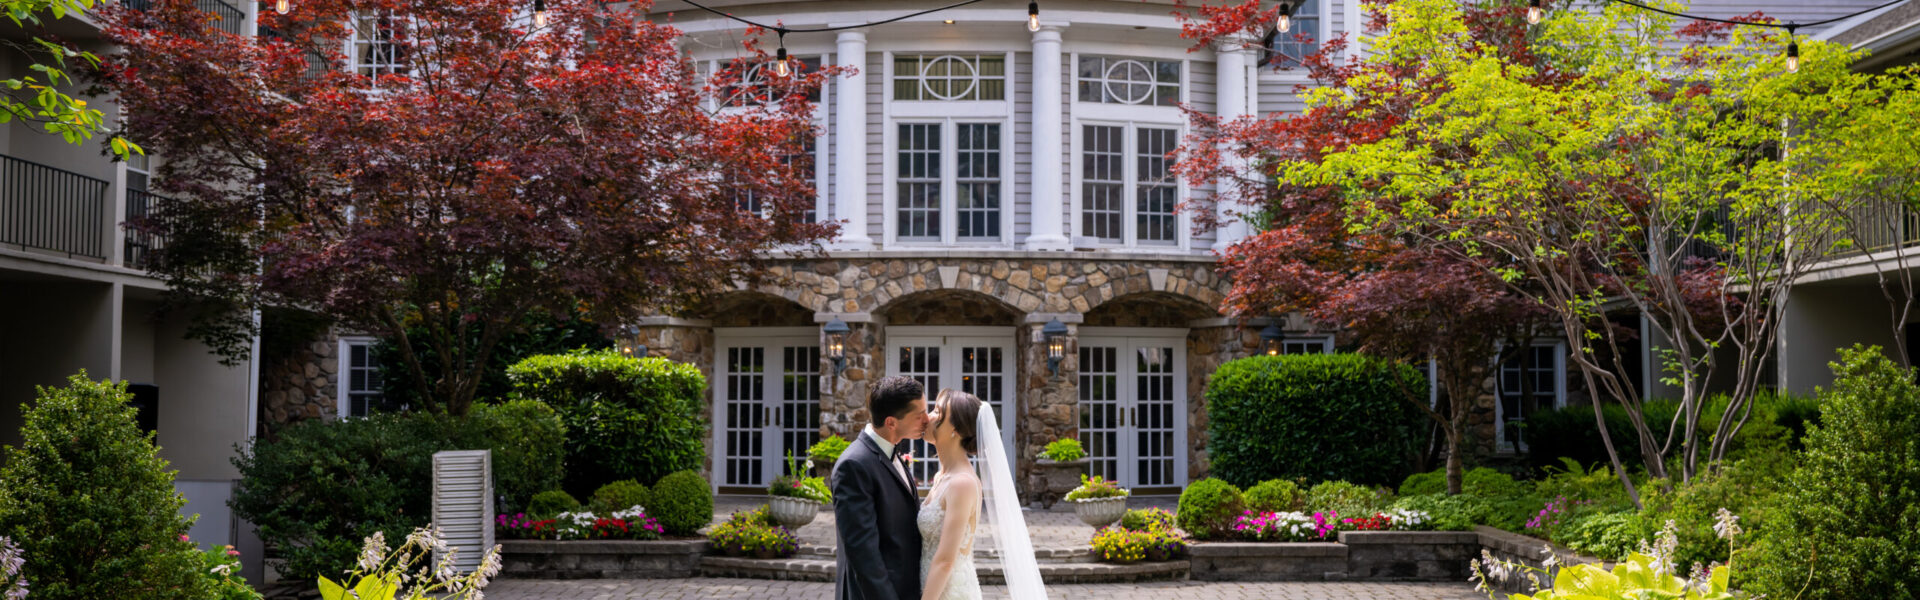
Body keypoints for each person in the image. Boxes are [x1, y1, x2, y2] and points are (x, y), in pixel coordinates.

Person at [920, 389, 1049, 600]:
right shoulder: (941, 477)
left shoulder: (962, 483)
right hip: (931, 586)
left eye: (937, 411)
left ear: (956, 430)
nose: (928, 416)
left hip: (949, 592)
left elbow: (945, 561)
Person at [832, 376, 930, 600]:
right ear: (891, 422)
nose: (927, 420)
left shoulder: (891, 452)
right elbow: (864, 555)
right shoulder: (854, 466)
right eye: (919, 415)